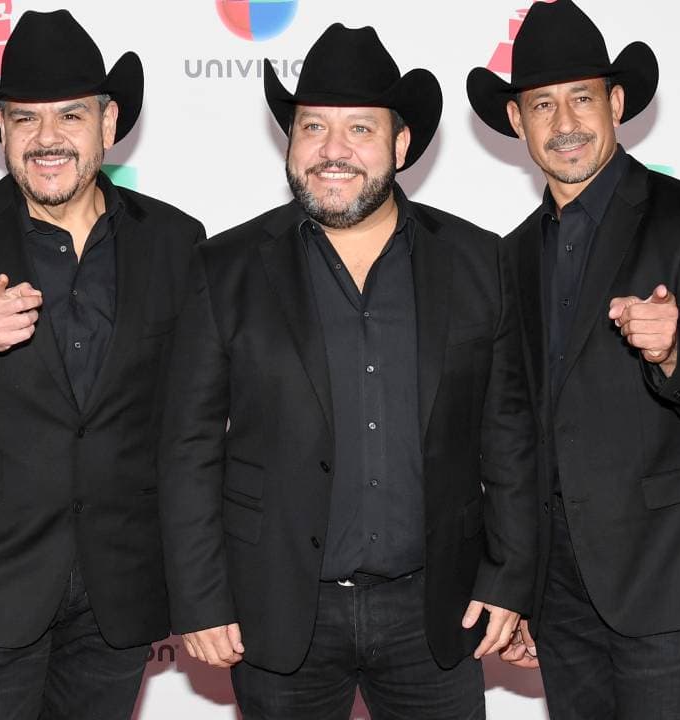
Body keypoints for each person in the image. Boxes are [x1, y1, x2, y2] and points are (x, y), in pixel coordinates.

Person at [158, 22, 538, 720]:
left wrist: (510, 579)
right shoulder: (225, 267)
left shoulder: (476, 260)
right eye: (313, 128)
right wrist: (200, 598)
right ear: (290, 142)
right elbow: (187, 448)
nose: (333, 151)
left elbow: (508, 438)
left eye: (360, 129)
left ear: (401, 145)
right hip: (278, 611)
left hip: (436, 613)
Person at [0, 10, 204, 719]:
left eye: (70, 116)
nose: (47, 138)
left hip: (120, 587)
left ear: (109, 123)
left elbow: (191, 420)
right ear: (1, 127)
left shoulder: (175, 242)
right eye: (25, 118)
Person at [471, 2, 680, 717]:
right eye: (542, 104)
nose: (564, 121)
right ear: (517, 121)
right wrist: (520, 581)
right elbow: (515, 428)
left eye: (582, 98)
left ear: (617, 103)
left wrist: (674, 354)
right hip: (559, 587)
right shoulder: (510, 253)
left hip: (667, 573)